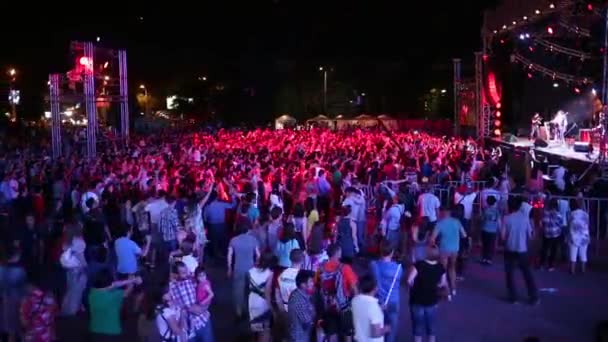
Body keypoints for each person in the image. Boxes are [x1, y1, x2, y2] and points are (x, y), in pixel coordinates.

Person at [501, 198, 539, 305]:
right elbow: (530, 236)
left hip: (510, 249)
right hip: (522, 249)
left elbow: (503, 237)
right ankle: (533, 297)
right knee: (527, 274)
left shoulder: (506, 219)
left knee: (510, 274)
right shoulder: (525, 218)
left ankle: (513, 297)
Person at [407, 246, 448, 342]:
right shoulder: (440, 267)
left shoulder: (419, 265)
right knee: (431, 328)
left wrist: (413, 285)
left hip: (417, 300)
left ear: (427, 254)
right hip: (432, 300)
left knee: (417, 327)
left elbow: (409, 280)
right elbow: (443, 283)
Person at [317, 244, 358, 342]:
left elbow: (318, 286)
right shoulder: (345, 268)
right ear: (338, 254)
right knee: (347, 333)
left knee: (332, 333)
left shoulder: (321, 268)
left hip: (328, 306)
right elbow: (354, 289)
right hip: (344, 306)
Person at [88, 269, 142, 340]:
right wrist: (133, 280)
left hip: (94, 331)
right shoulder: (116, 295)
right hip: (112, 332)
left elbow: (114, 285)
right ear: (110, 282)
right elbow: (129, 290)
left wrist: (131, 280)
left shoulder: (92, 292)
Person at [169, 261, 215, 342]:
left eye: (186, 271)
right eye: (183, 273)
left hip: (203, 321)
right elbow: (172, 308)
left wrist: (204, 309)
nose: (186, 274)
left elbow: (208, 295)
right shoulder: (172, 288)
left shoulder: (193, 281)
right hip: (188, 329)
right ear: (175, 274)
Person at [369, 241, 402, 342]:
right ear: (392, 252)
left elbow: (374, 281)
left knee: (377, 331)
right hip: (393, 300)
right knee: (391, 329)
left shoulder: (373, 265)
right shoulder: (398, 268)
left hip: (378, 301)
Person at [430, 206, 466, 298]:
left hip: (444, 249)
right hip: (455, 249)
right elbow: (464, 235)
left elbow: (432, 239)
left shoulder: (440, 223)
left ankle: (447, 291)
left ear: (443, 212)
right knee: (452, 268)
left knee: (443, 270)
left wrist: (434, 246)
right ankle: (453, 288)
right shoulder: (457, 222)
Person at [227, 224, 260, 319]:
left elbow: (230, 255)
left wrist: (229, 268)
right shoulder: (253, 240)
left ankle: (239, 312)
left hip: (238, 269)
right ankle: (252, 311)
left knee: (238, 291)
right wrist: (257, 265)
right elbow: (258, 255)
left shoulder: (233, 240)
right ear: (248, 230)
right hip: (251, 269)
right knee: (252, 290)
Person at [20, 272, 59, 342]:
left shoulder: (28, 300)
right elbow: (54, 315)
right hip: (47, 335)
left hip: (33, 336)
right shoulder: (50, 298)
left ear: (31, 285)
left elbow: (24, 322)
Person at [351, 274, 390, 342]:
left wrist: (379, 308)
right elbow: (376, 333)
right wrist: (387, 328)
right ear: (375, 289)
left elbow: (364, 312)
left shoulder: (354, 301)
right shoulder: (373, 306)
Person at [0, 245, 27, 342]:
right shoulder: (20, 271)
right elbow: (23, 288)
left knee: (7, 327)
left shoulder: (1, 269)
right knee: (15, 328)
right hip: (16, 302)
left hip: (4, 301)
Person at [247, 252, 275, 342]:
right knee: (264, 331)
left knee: (254, 330)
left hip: (251, 301)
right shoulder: (269, 273)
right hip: (263, 305)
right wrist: (272, 308)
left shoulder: (250, 271)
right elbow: (267, 292)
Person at [287, 270, 316, 342]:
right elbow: (307, 321)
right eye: (311, 281)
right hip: (299, 338)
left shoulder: (300, 295)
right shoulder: (298, 299)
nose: (313, 284)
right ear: (303, 284)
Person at [539, 198, 562, 271]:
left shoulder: (545, 212)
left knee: (544, 249)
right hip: (555, 234)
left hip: (547, 233)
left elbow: (543, 222)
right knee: (553, 250)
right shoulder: (558, 214)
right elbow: (560, 223)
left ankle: (541, 264)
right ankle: (550, 266)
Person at [568, 201, 590, 274]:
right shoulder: (586, 214)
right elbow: (587, 225)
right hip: (584, 236)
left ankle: (572, 270)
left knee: (573, 254)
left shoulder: (571, 214)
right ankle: (583, 270)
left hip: (574, 236)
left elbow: (569, 224)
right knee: (583, 254)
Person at [480, 196, 501, 265]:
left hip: (485, 229)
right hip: (493, 231)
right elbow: (498, 221)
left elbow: (482, 219)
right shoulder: (496, 211)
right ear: (494, 202)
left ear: (487, 202)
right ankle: (489, 259)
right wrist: (500, 229)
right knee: (491, 245)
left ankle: (484, 258)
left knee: (485, 244)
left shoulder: (485, 210)